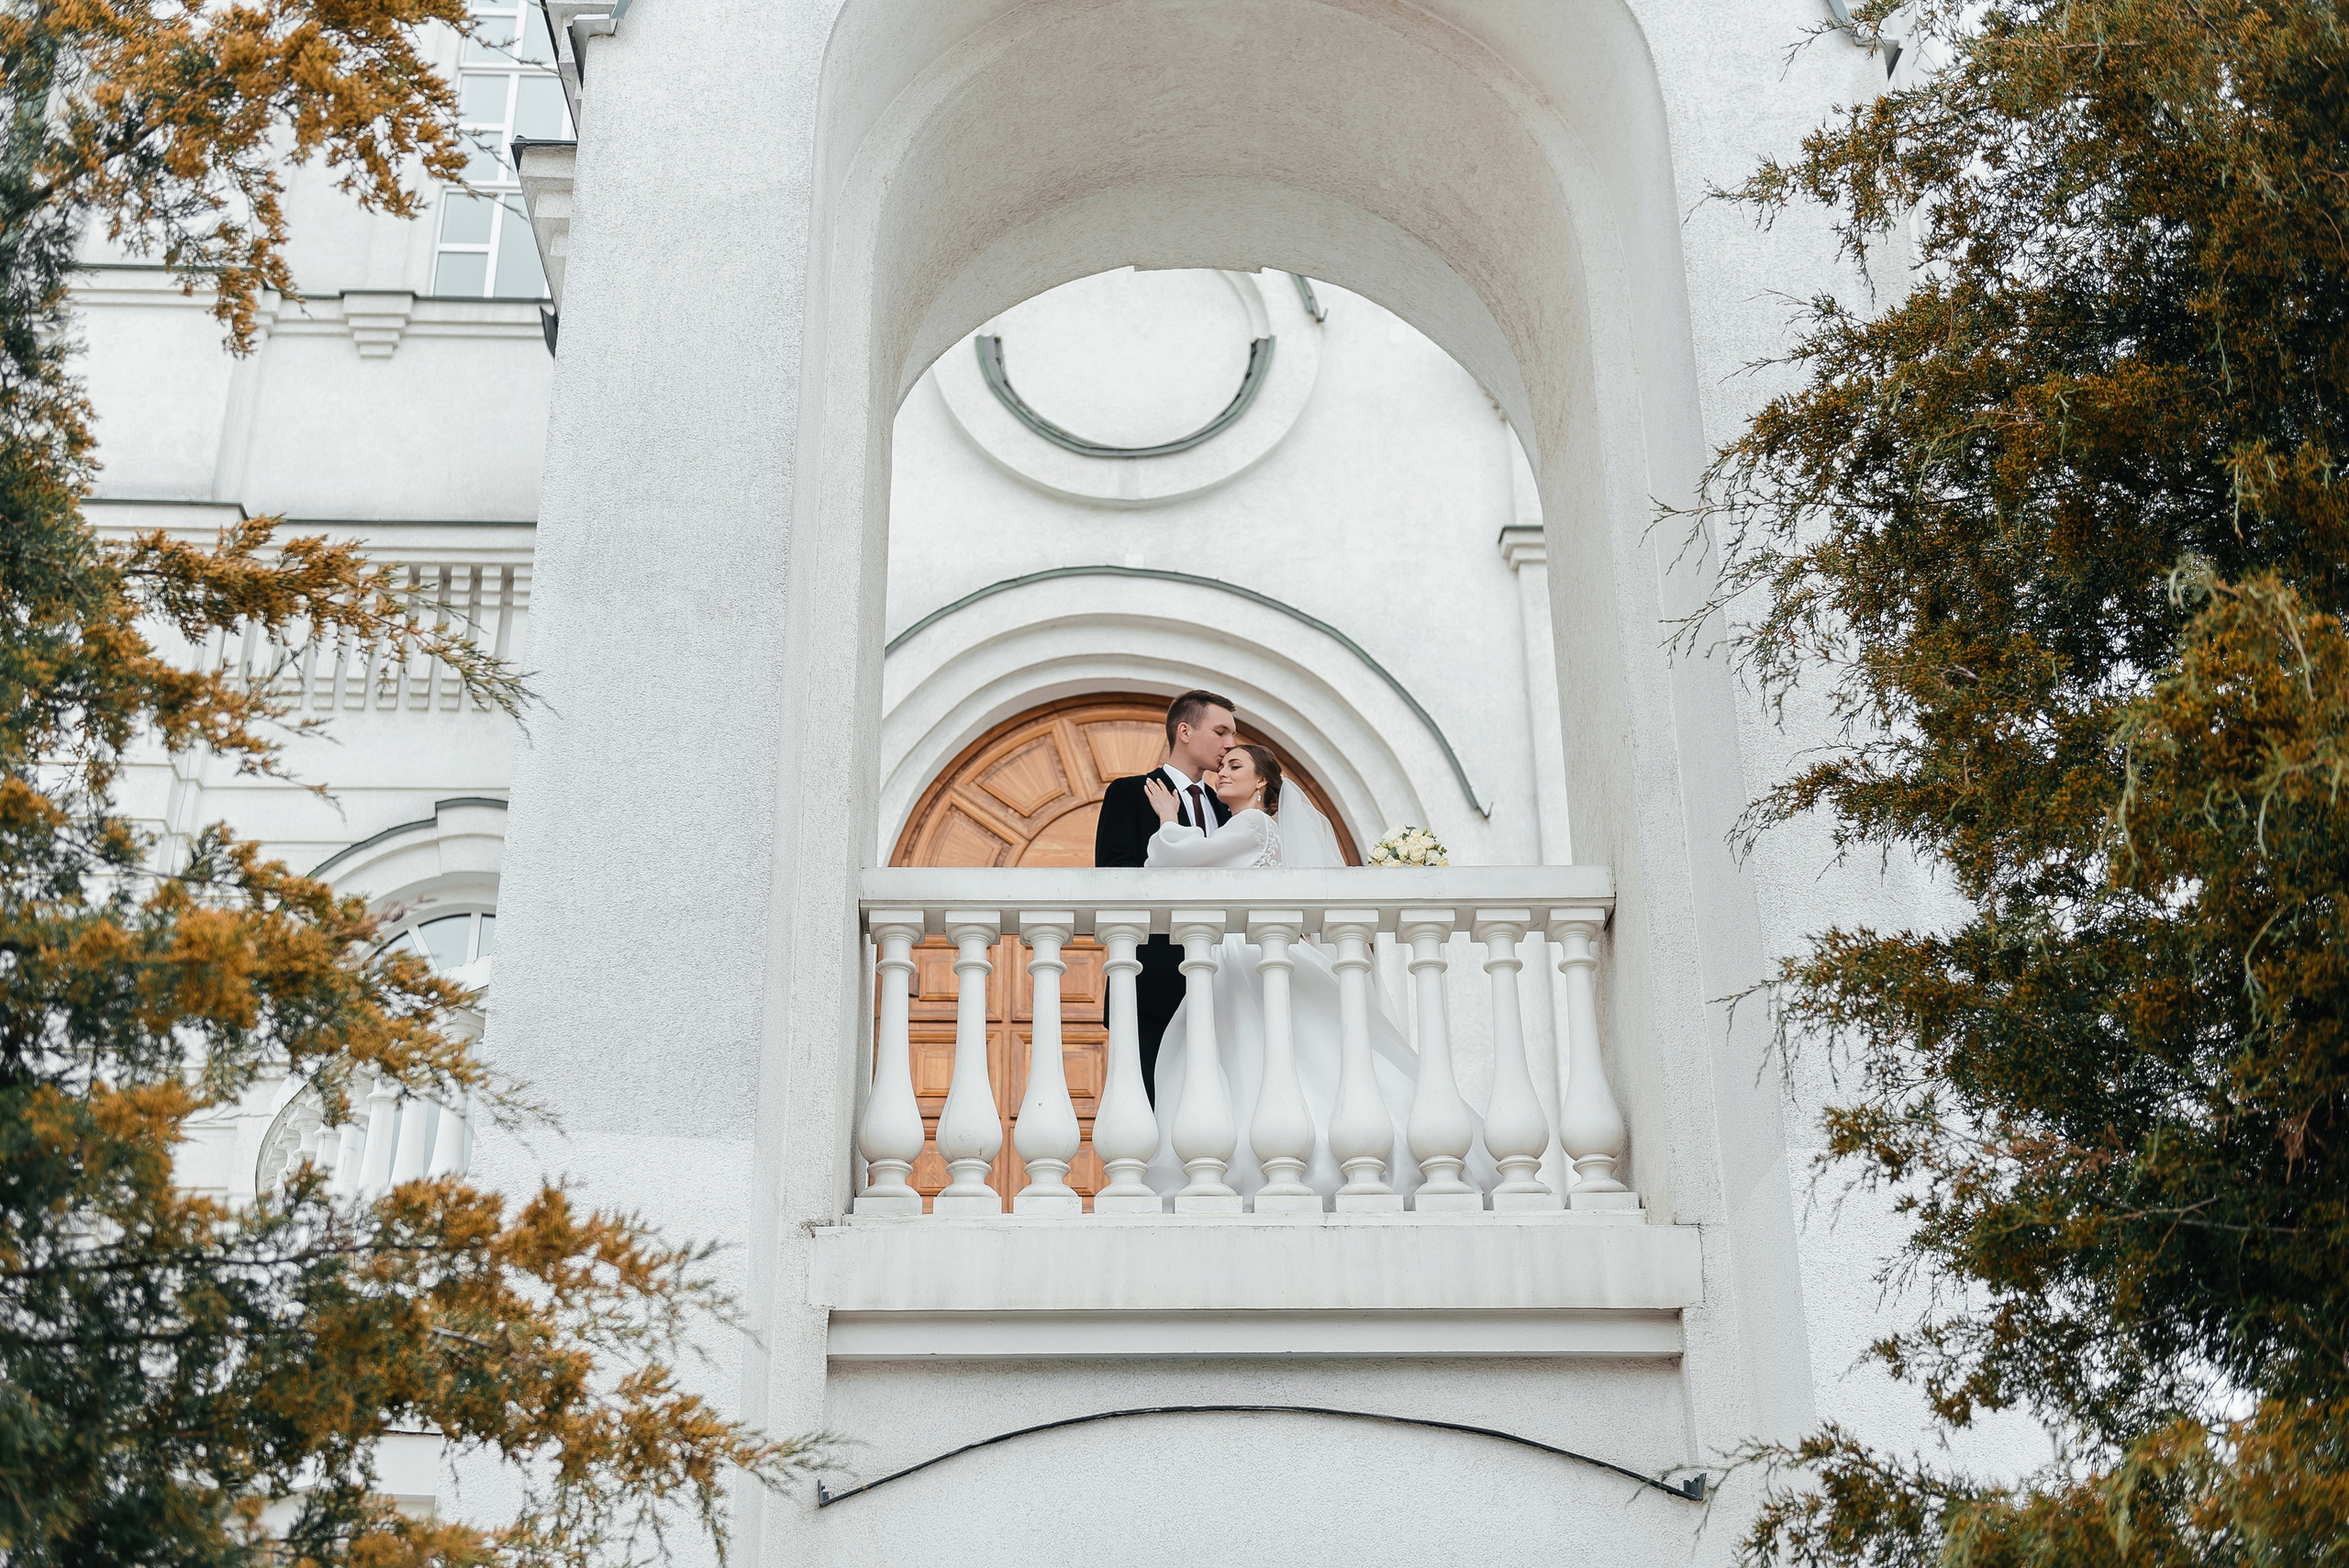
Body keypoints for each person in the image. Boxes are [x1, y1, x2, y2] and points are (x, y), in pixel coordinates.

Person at [1140, 743, 1484, 1205]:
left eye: (1235, 766)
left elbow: (1183, 860)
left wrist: (1168, 819)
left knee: (1257, 1055)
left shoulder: (1253, 823)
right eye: (1221, 766)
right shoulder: (1253, 827)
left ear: (1261, 781)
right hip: (1240, 955)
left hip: (1247, 956)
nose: (1222, 773)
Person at [1093, 690, 1237, 1102]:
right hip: (1151, 982)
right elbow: (1115, 878)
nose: (1230, 744)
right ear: (1185, 731)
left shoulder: (1229, 810)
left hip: (1225, 983)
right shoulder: (1129, 793)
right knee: (1150, 1108)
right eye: (1221, 732)